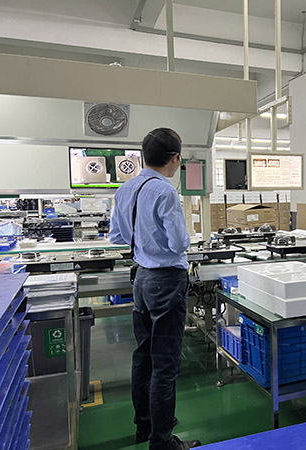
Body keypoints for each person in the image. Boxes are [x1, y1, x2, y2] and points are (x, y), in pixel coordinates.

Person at [109, 128, 201, 450]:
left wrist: (144, 241)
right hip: (166, 280)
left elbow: (116, 236)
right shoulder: (165, 191)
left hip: (141, 279)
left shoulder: (125, 189)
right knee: (165, 364)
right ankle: (162, 442)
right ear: (175, 158)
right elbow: (178, 244)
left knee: (144, 357)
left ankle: (145, 425)